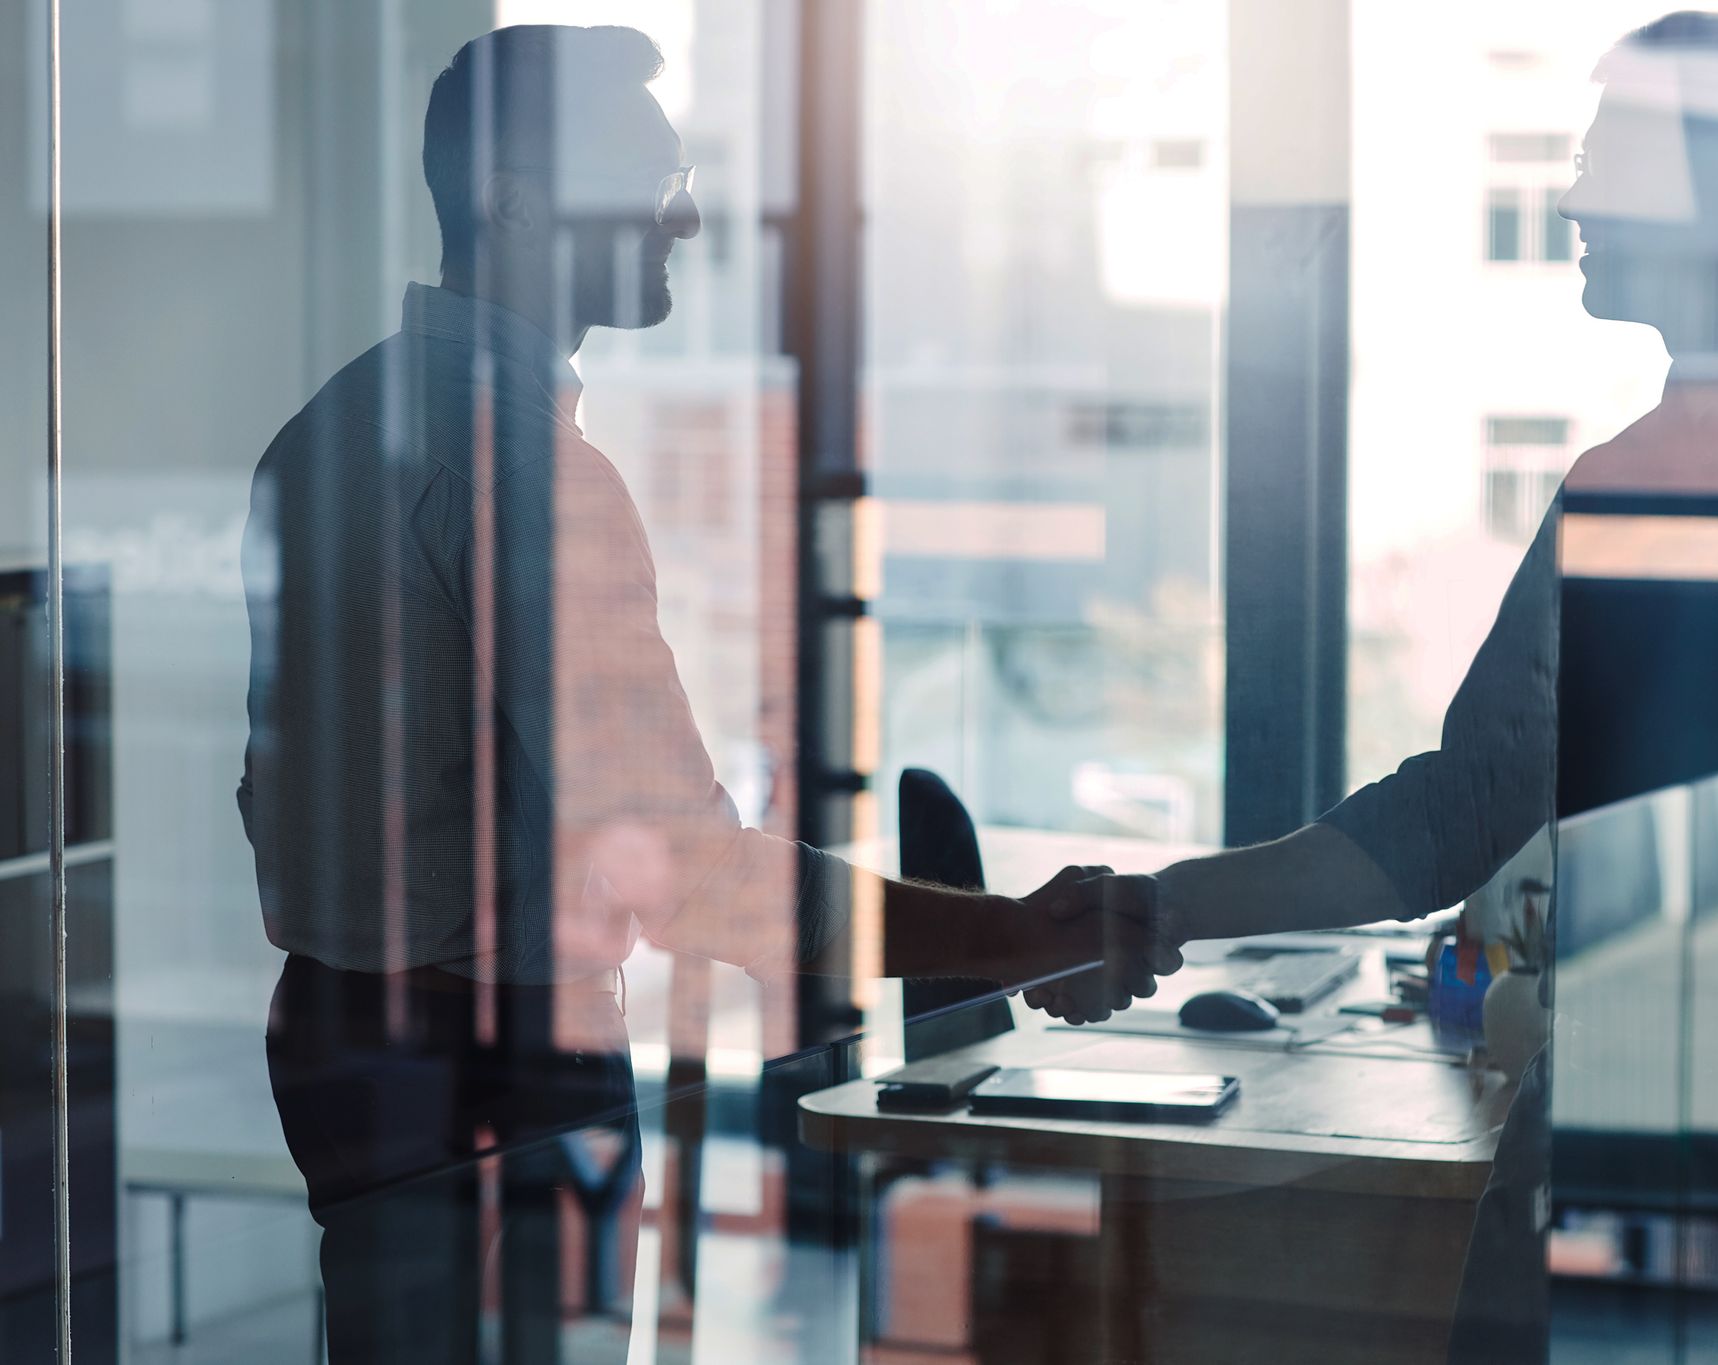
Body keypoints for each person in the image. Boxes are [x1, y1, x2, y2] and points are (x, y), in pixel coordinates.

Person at [1034, 13, 1718, 1363]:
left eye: (1611, 152)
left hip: (1711, 1206)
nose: (1571, 194)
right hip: (1692, 1185)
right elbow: (1470, 814)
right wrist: (1156, 907)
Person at [238, 25, 1159, 1363]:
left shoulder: (320, 433)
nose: (687, 214)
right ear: (513, 203)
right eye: (649, 181)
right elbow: (693, 874)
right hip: (495, 1078)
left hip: (348, 1049)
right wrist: (1014, 936)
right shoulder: (526, 473)